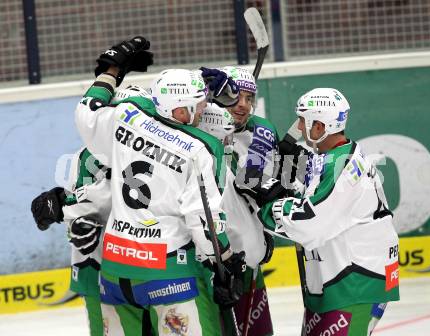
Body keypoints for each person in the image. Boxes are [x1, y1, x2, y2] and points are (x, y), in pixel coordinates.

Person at [74, 36, 246, 335]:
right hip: (168, 273)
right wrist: (226, 262)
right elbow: (203, 220)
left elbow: (87, 113)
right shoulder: (200, 149)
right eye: (199, 104)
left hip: (115, 270)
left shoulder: (127, 114)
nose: (205, 109)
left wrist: (111, 70)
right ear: (180, 112)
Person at [243, 88, 400, 335]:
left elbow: (311, 225)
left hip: (355, 283)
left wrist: (268, 206)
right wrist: (287, 169)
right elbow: (310, 189)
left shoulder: (344, 167)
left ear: (319, 127)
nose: (300, 129)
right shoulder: (333, 156)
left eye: (303, 122)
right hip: (339, 281)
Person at [30, 85, 151, 336]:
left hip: (148, 263)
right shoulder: (87, 157)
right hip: (102, 267)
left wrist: (63, 204)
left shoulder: (160, 150)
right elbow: (82, 217)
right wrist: (71, 217)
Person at [200, 66, 276, 336]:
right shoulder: (198, 130)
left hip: (245, 255)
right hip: (209, 258)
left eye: (250, 98)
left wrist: (261, 238)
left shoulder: (262, 133)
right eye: (237, 97)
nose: (243, 106)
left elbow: (252, 184)